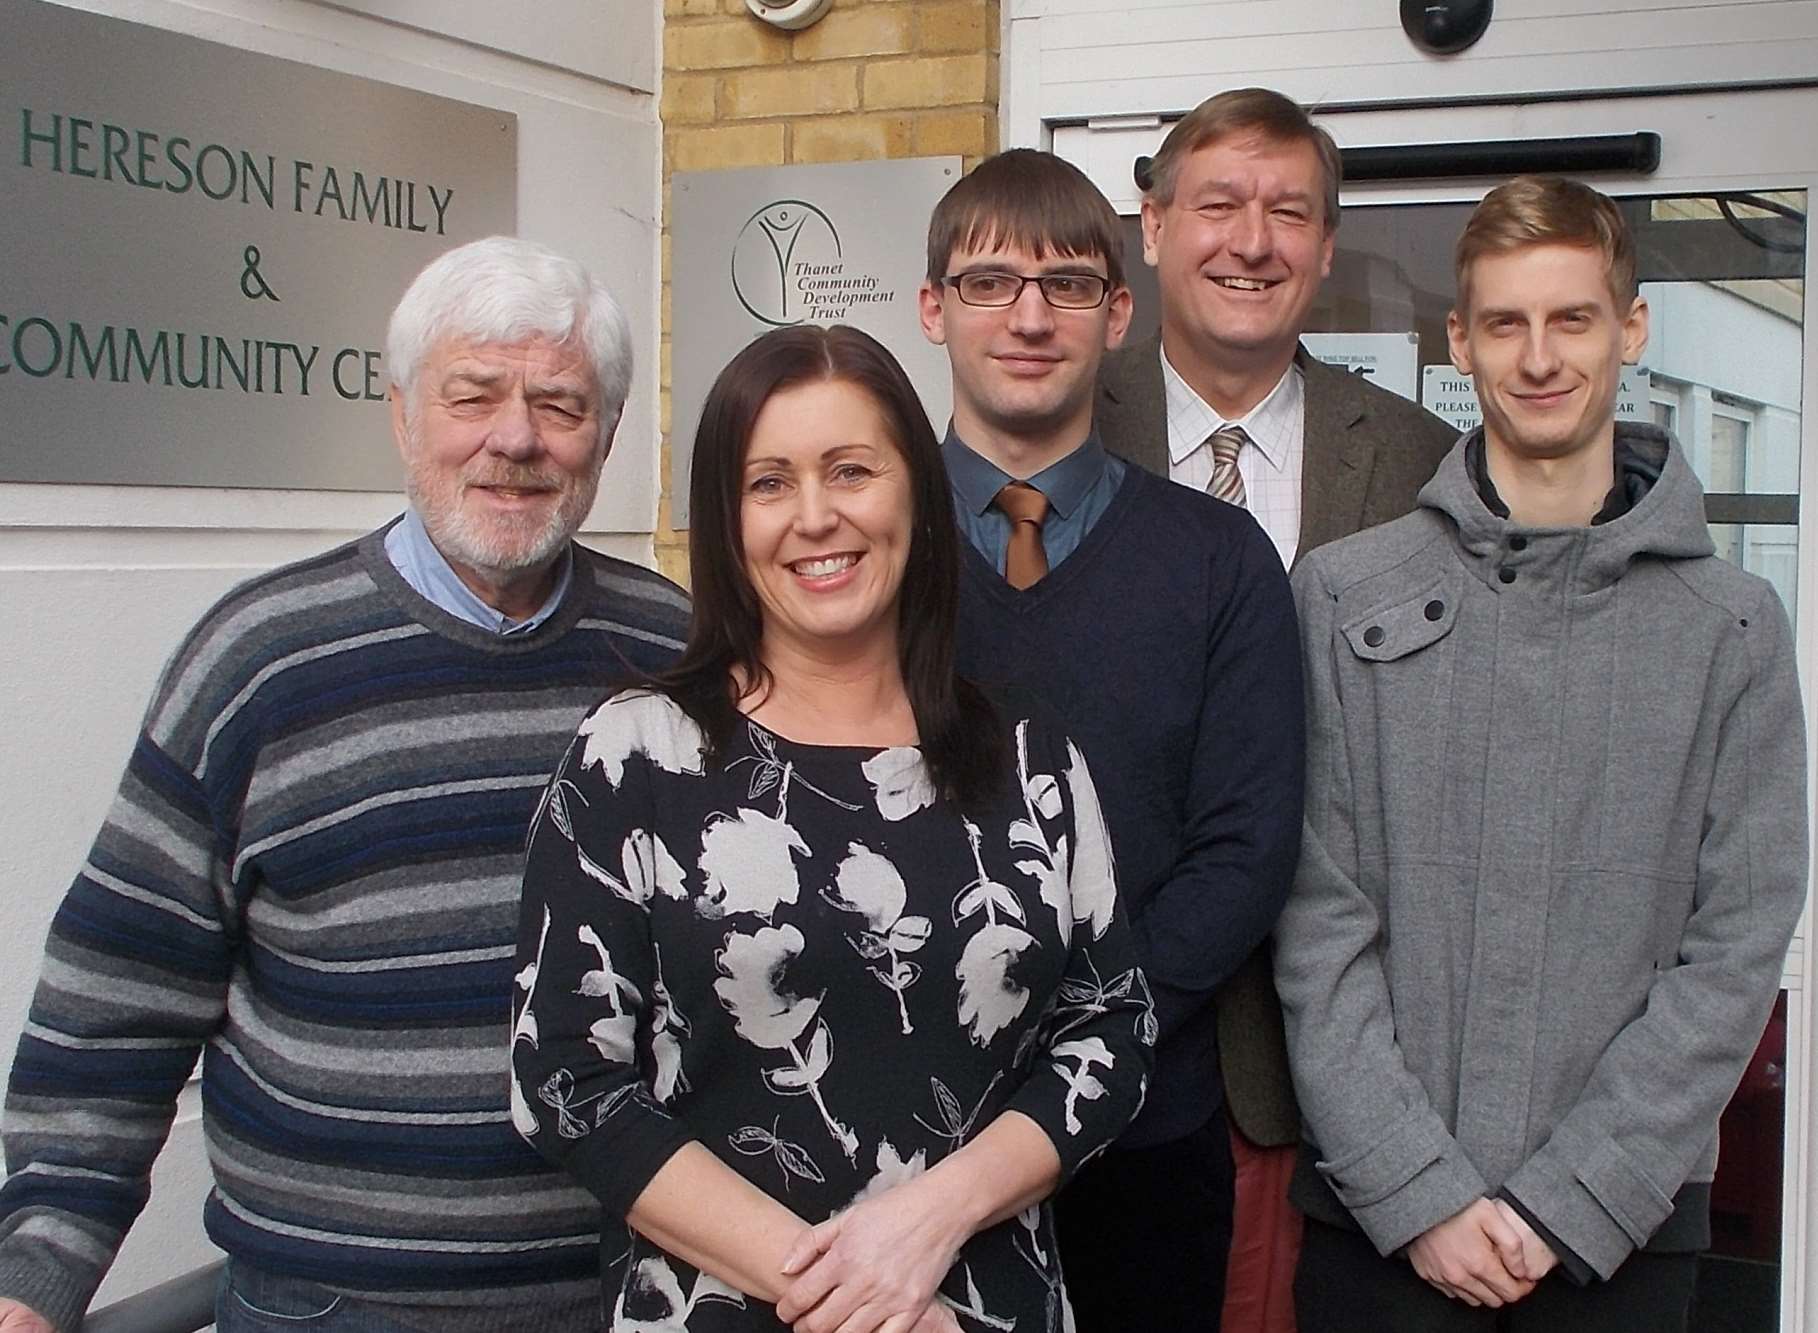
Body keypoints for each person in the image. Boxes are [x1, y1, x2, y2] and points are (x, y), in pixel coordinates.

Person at [0, 236, 691, 1332]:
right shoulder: (258, 660)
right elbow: (115, 1006)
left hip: (624, 1297)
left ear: (607, 435)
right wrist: (38, 1280)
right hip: (329, 1304)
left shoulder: (676, 656)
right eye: (473, 396)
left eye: (560, 404)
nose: (515, 437)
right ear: (402, 412)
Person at [510, 323, 1154, 1333]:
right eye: (769, 483)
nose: (815, 516)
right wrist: (857, 1292)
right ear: (727, 522)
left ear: (916, 493)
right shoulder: (635, 757)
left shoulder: (1029, 760)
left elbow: (1111, 1030)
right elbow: (561, 1074)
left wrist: (933, 1220)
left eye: (851, 470)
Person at [1275, 176, 1808, 1331]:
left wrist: (1572, 1198)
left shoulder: (1734, 629)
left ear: (1632, 326)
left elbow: (1733, 948)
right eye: (1506, 323)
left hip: (1622, 1240)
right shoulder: (1343, 594)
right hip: (1377, 1232)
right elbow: (1318, 922)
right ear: (1460, 340)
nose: (1540, 356)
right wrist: (1419, 1191)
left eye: (1572, 318)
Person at [919, 147, 1304, 1330]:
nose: (1029, 317)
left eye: (1068, 284)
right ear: (932, 309)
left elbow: (1245, 848)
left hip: (1143, 1130)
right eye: (989, 283)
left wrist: (1089, 1026)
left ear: (1118, 311)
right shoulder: (862, 554)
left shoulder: (1218, 559)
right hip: (907, 1125)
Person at [1094, 86, 1458, 1330]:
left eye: (1288, 212)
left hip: (1354, 1062)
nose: (1253, 241)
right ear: (1151, 227)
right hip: (1109, 1043)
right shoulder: (1055, 430)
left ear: (1326, 247)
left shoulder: (1418, 463)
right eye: (1219, 205)